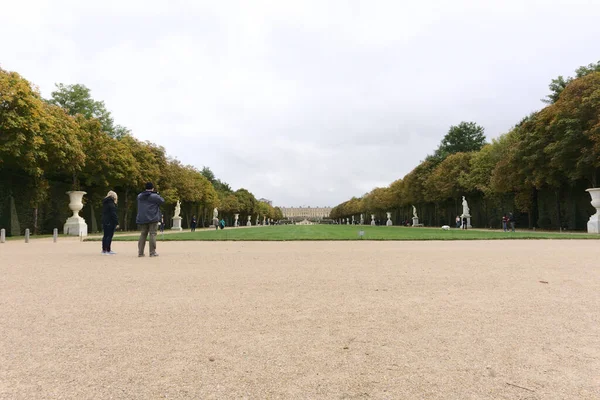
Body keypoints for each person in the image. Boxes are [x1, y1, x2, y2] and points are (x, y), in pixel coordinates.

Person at [136, 182, 165, 257]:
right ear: (152, 188)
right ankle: (152, 252)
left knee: (143, 234)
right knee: (152, 234)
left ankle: (140, 252)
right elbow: (162, 201)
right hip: (152, 217)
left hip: (142, 217)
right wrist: (157, 194)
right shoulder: (155, 196)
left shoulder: (140, 196)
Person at [101, 190, 119, 255]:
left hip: (105, 220)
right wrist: (116, 222)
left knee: (105, 235)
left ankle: (104, 249)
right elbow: (113, 214)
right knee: (109, 236)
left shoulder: (105, 203)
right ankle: (108, 250)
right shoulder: (111, 204)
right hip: (110, 221)